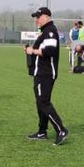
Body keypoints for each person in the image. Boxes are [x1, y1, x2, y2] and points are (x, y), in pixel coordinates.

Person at [25, 7, 68, 145]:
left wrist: (33, 51)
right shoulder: (45, 31)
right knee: (40, 102)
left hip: (46, 73)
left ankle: (61, 129)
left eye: (38, 17)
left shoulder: (50, 31)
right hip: (41, 72)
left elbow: (50, 50)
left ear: (47, 17)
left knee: (43, 102)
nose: (36, 20)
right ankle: (42, 131)